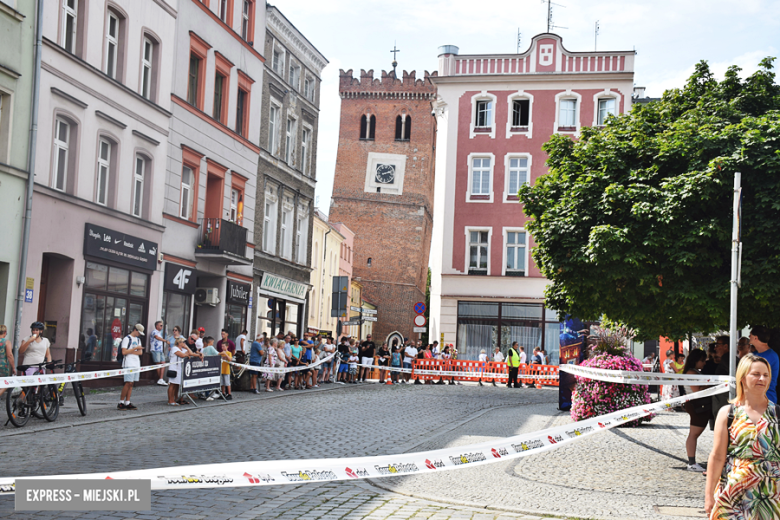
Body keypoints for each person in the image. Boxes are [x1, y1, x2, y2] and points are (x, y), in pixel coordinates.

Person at [705, 354, 780, 517]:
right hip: (733, 495)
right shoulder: (728, 413)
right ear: (743, 377)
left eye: (766, 375)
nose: (762, 379)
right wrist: (709, 495)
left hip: (771, 496)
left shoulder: (777, 414)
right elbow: (717, 456)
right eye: (756, 374)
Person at [681, 348, 710, 471]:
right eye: (703, 361)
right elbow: (697, 390)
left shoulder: (693, 372)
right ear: (697, 360)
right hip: (697, 404)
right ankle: (691, 462)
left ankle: (692, 462)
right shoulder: (691, 373)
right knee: (694, 434)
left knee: (694, 434)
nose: (704, 363)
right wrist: (710, 385)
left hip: (696, 404)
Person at [748, 325, 778, 403]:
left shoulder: (771, 356)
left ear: (755, 338)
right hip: (754, 398)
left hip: (766, 399)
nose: (748, 336)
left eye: (750, 335)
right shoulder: (754, 354)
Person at [167, 337, 201, 405]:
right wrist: (187, 355)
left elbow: (190, 353)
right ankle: (170, 400)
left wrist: (187, 348)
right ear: (179, 343)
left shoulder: (182, 349)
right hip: (174, 368)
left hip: (179, 368)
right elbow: (182, 355)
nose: (184, 343)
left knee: (177, 385)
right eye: (183, 342)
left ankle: (175, 399)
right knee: (172, 384)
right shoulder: (175, 348)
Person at [118, 324, 144, 411]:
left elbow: (140, 353)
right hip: (128, 363)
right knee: (128, 382)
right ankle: (121, 401)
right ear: (135, 330)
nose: (139, 334)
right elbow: (124, 352)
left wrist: (131, 351)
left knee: (132, 383)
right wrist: (135, 349)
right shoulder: (126, 339)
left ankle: (127, 401)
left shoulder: (138, 339)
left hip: (136, 363)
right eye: (139, 332)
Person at [150, 320, 169, 386]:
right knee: (158, 363)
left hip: (160, 350)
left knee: (163, 363)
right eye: (160, 325)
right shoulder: (154, 332)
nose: (162, 326)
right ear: (157, 326)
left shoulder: (160, 333)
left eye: (162, 325)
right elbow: (157, 338)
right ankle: (159, 378)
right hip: (155, 349)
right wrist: (165, 341)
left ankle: (161, 378)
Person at [0, 325, 15, 400]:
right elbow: (9, 355)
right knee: (5, 383)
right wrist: (13, 367)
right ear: (5, 332)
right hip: (2, 366)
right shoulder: (6, 342)